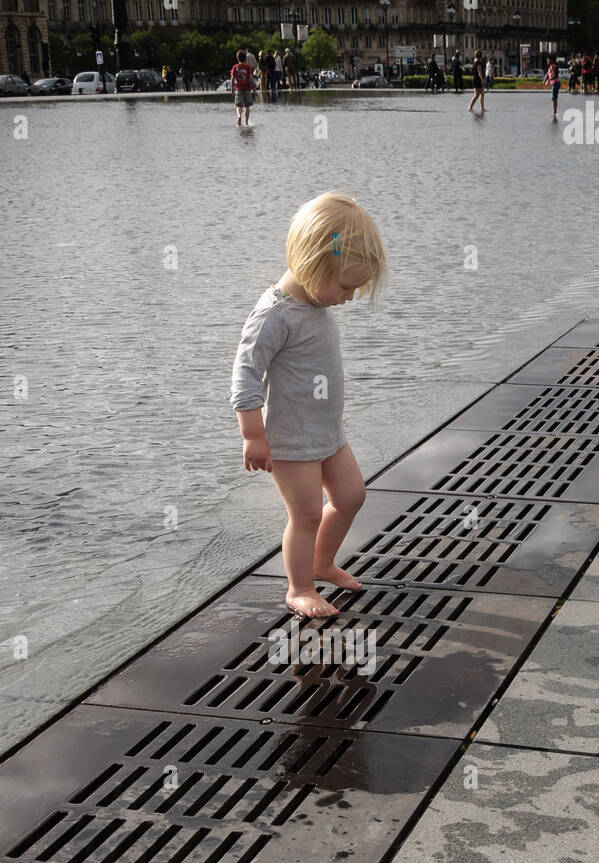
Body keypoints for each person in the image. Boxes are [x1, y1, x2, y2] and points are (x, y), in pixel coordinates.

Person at [230, 191, 388, 621]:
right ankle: (299, 587)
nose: (350, 297)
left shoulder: (315, 301)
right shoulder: (273, 316)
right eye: (345, 286)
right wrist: (252, 435)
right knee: (306, 514)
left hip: (328, 434)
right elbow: (245, 374)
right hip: (288, 441)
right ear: (313, 264)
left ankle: (321, 562)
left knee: (352, 495)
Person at [230, 48, 255, 127]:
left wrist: (232, 88)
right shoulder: (248, 67)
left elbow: (232, 79)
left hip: (239, 89)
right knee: (247, 106)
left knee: (239, 105)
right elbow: (251, 78)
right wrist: (254, 88)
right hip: (247, 89)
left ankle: (239, 116)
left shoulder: (235, 67)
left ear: (237, 58)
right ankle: (246, 122)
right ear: (245, 58)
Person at [468, 48, 486, 113]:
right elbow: (479, 72)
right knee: (477, 94)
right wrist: (482, 80)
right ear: (481, 55)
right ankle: (470, 107)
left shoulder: (475, 61)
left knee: (481, 94)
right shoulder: (478, 62)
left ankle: (482, 108)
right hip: (478, 79)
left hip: (476, 78)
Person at [547, 56, 560, 120]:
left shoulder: (553, 66)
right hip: (555, 83)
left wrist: (548, 80)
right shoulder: (551, 66)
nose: (547, 61)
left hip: (555, 83)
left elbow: (555, 75)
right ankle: (555, 113)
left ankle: (555, 113)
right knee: (554, 98)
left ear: (551, 60)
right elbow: (548, 74)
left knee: (554, 98)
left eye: (548, 59)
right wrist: (545, 79)